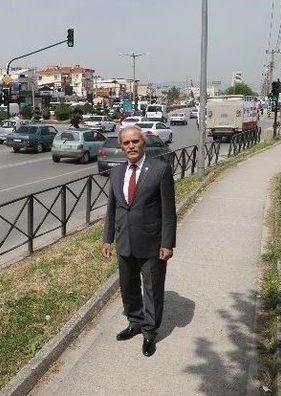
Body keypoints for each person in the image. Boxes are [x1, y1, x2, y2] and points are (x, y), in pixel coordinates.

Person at [101, 125, 176, 357]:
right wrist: (107, 239)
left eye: (135, 141)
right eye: (126, 143)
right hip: (125, 241)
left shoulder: (160, 170)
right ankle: (134, 322)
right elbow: (112, 208)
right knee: (128, 287)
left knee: (152, 289)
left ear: (143, 143)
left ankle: (150, 333)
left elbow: (168, 211)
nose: (131, 146)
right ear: (122, 147)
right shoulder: (116, 172)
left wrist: (167, 243)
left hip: (152, 244)